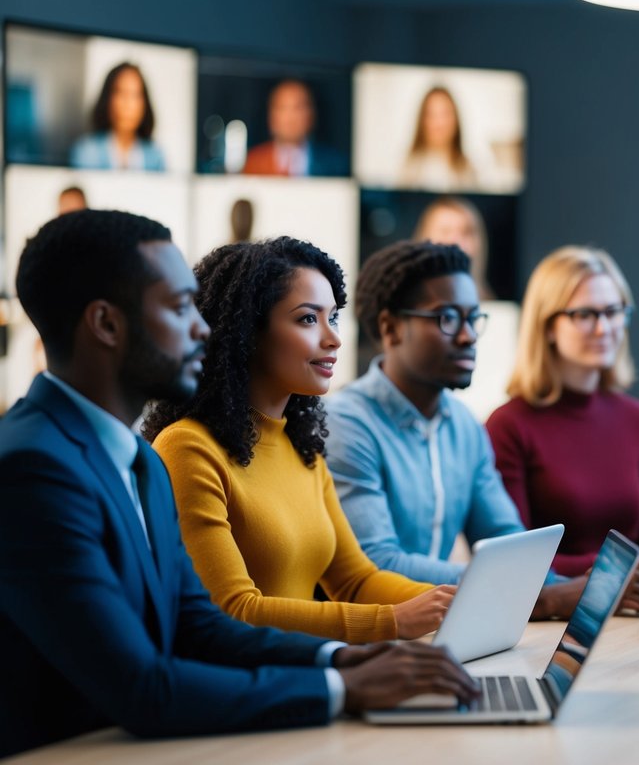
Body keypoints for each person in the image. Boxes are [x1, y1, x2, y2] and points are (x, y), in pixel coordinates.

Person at [0, 210, 477, 757]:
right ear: (106, 325)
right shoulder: (33, 468)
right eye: (181, 308)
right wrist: (342, 687)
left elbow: (198, 623)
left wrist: (342, 659)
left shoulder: (134, 458)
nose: (204, 327)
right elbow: (144, 685)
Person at [324, 240, 639, 619]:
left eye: (474, 318)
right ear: (390, 328)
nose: (468, 336)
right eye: (447, 318)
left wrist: (570, 586)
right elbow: (378, 563)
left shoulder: (464, 428)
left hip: (437, 629)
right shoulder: (347, 422)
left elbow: (511, 546)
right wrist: (548, 594)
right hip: (361, 639)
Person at [142, 237, 455, 644]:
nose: (334, 338)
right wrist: (393, 620)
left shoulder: (302, 448)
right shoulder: (186, 448)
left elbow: (356, 581)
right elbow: (233, 609)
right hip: (251, 689)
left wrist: (450, 601)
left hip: (308, 671)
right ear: (246, 331)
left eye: (333, 318)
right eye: (309, 319)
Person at [487, 246, 639, 582]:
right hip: (551, 616)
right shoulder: (509, 426)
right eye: (585, 314)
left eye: (613, 311)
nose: (604, 328)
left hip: (633, 612)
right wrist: (618, 568)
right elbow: (515, 559)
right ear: (547, 326)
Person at [69, 63, 166, 172]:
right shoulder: (87, 151)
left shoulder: (155, 156)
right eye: (121, 93)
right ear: (108, 99)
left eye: (135, 95)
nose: (128, 104)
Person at [243, 79, 348, 177]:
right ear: (270, 116)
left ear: (311, 115)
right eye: (282, 108)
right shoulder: (253, 163)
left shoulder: (333, 165)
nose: (290, 118)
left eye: (298, 108)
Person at [414, 196, 493, 300]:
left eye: (466, 232)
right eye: (445, 231)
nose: (455, 242)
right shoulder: (411, 300)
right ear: (424, 237)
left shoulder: (492, 305)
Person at [400, 86, 478, 191]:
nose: (439, 123)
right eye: (432, 115)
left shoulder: (469, 170)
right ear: (422, 120)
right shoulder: (408, 169)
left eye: (445, 114)